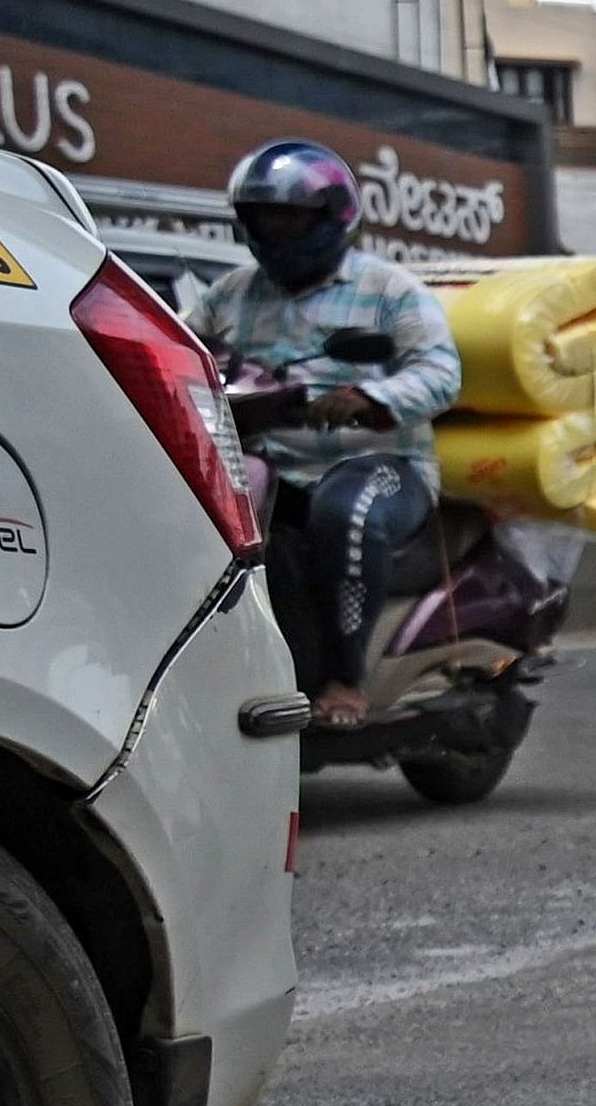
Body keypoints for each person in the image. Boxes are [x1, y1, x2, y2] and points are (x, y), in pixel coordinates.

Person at [184, 140, 464, 730]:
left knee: (347, 514)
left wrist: (368, 398)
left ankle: (345, 679)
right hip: (266, 462)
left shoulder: (389, 291)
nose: (276, 228)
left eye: (291, 216)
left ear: (331, 217)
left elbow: (441, 374)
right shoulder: (231, 293)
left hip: (379, 463)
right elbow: (181, 354)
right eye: (264, 217)